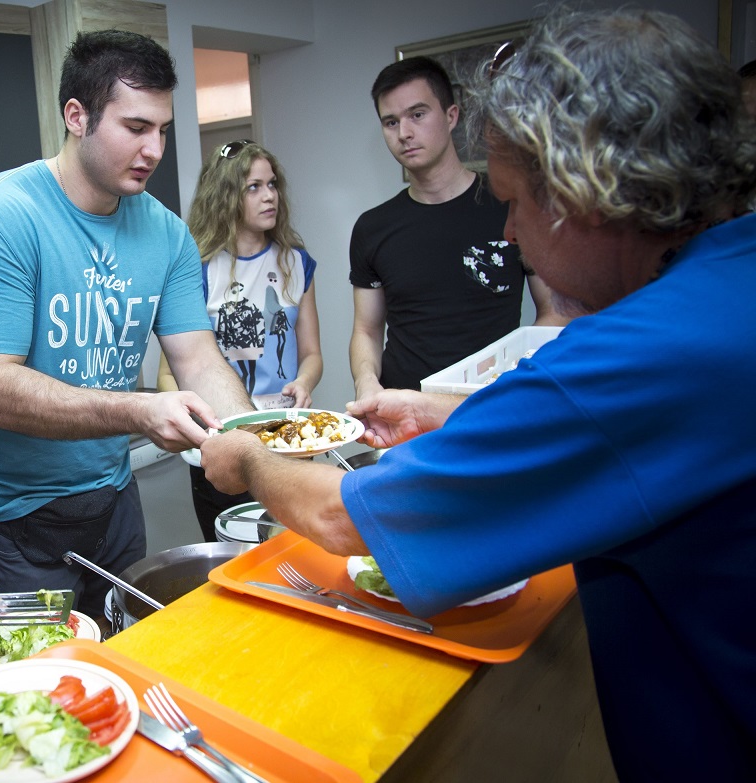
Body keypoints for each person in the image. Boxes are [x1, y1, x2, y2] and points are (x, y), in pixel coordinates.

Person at [202, 8, 756, 780]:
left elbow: (343, 516)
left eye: (516, 202)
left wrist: (249, 458)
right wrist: (449, 411)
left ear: (586, 194)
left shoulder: (643, 349)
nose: (510, 232)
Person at [0, 30, 252, 616]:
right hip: (9, 520)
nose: (154, 149)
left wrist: (251, 442)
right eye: (135, 127)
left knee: (124, 652)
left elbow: (199, 359)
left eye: (163, 130)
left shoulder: (166, 233)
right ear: (77, 116)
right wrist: (138, 411)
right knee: (45, 670)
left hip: (112, 503)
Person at [349, 55, 564, 401]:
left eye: (418, 114)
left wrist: (516, 377)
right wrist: (366, 383)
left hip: (491, 405)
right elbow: (366, 329)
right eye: (391, 122)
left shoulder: (511, 208)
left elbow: (554, 311)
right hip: (405, 410)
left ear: (451, 116)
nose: (404, 133)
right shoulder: (372, 227)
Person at [156, 140, 322, 541]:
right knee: (233, 557)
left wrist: (304, 381)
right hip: (223, 447)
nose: (270, 196)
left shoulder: (295, 261)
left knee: (293, 552)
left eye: (272, 184)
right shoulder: (197, 269)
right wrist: (200, 424)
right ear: (226, 195)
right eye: (254, 187)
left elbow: (312, 354)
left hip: (287, 440)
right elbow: (168, 374)